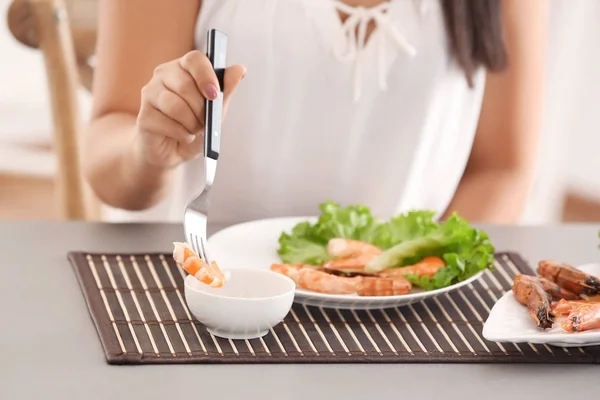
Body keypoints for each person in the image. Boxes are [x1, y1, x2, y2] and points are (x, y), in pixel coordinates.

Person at [83, 0, 548, 226]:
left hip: (403, 313)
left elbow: (501, 169)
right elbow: (109, 149)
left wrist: (417, 272)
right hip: (204, 297)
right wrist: (148, 155)